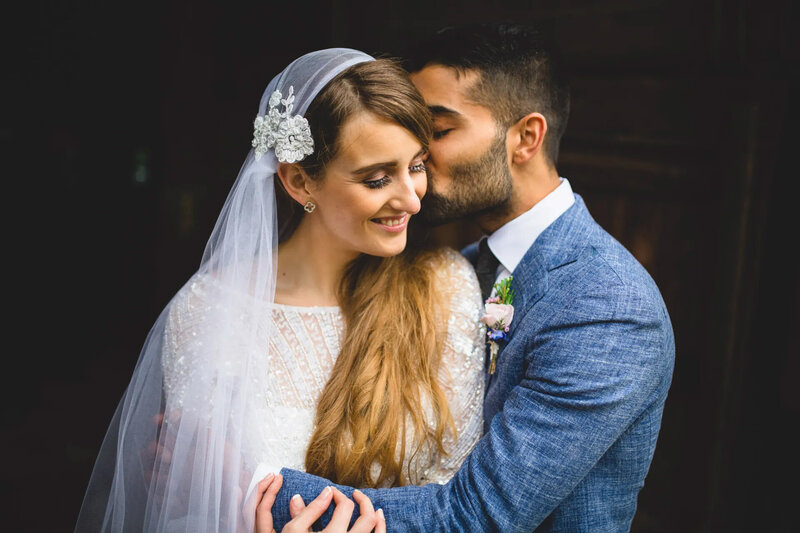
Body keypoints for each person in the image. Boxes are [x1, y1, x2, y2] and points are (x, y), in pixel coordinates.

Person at [268, 24, 676, 532]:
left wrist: (239, 482)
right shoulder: (453, 270)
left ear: (526, 137)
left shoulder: (608, 305)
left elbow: (476, 514)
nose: (414, 155)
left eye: (436, 132)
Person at [75, 49, 487, 532]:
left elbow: (455, 501)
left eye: (416, 166)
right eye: (377, 179)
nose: (411, 198)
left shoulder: (444, 286)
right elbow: (198, 508)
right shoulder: (208, 311)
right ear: (298, 180)